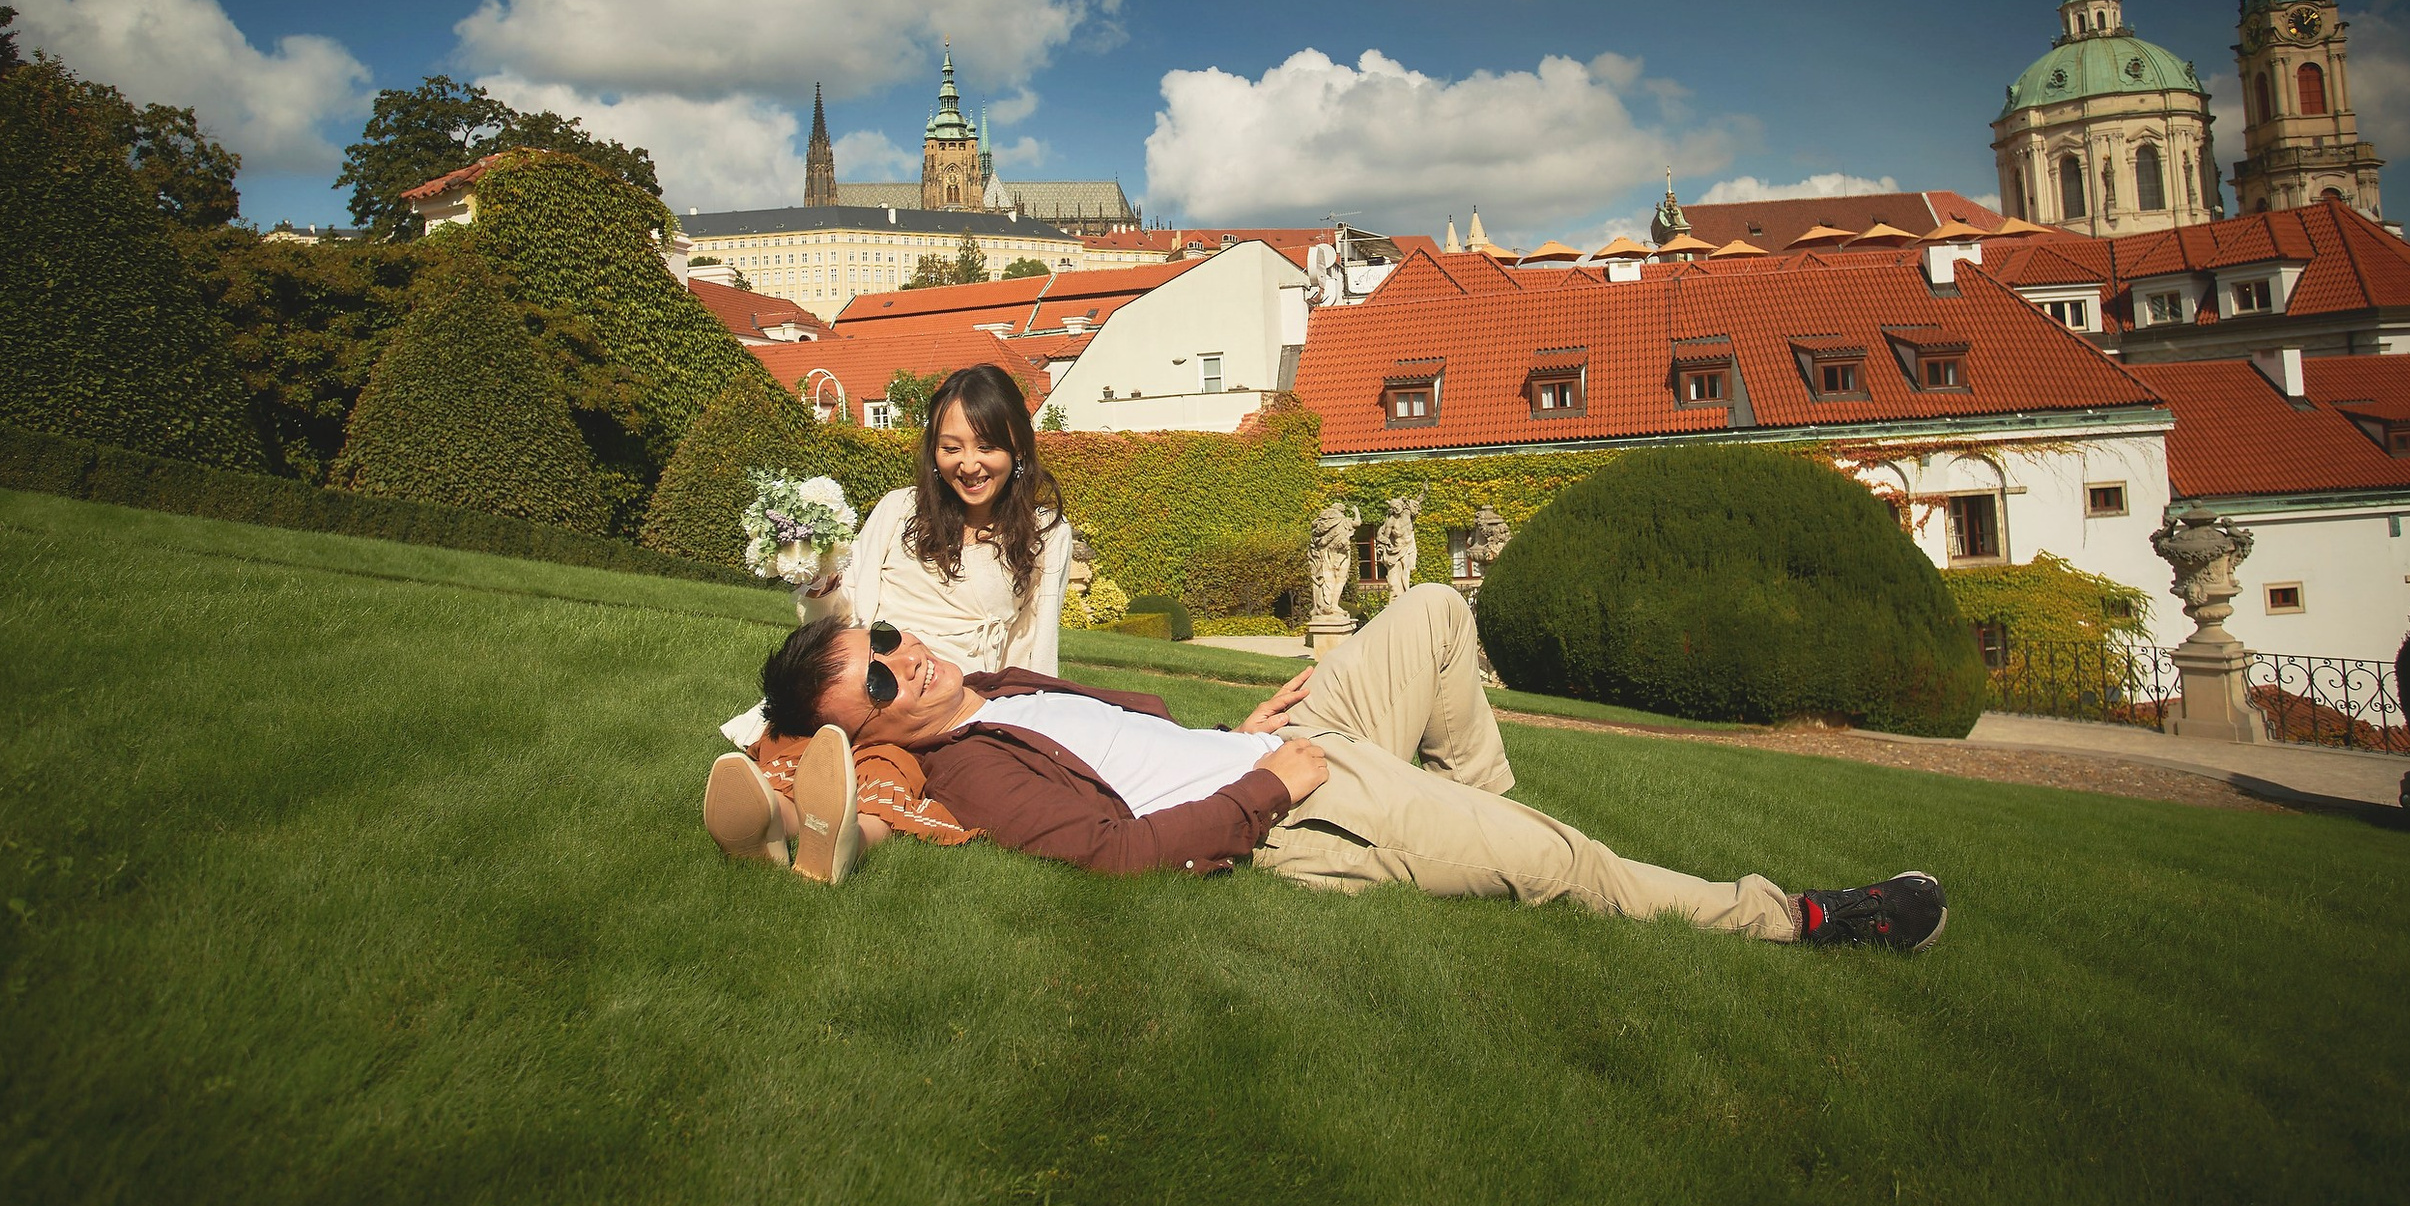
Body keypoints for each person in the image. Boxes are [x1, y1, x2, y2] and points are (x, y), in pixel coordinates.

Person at [733, 581, 1948, 949]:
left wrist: (1239, 722)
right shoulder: (969, 774)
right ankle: (1804, 919)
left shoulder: (995, 685)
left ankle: (1473, 812)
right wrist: (1274, 784)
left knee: (1429, 611)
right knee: (1563, 863)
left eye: (888, 639)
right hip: (1297, 804)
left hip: (1274, 740)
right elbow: (1112, 855)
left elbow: (1132, 727)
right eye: (879, 680)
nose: (911, 662)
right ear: (871, 733)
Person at [703, 363, 1068, 882]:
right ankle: (770, 819)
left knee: (894, 762)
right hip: (867, 669)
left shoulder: (1045, 534)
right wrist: (821, 586)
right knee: (807, 727)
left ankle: (827, 831)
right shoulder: (899, 510)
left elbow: (1037, 643)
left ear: (1018, 448)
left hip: (942, 697)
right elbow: (849, 614)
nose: (969, 464)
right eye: (951, 447)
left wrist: (1035, 725)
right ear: (932, 450)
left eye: (986, 446)